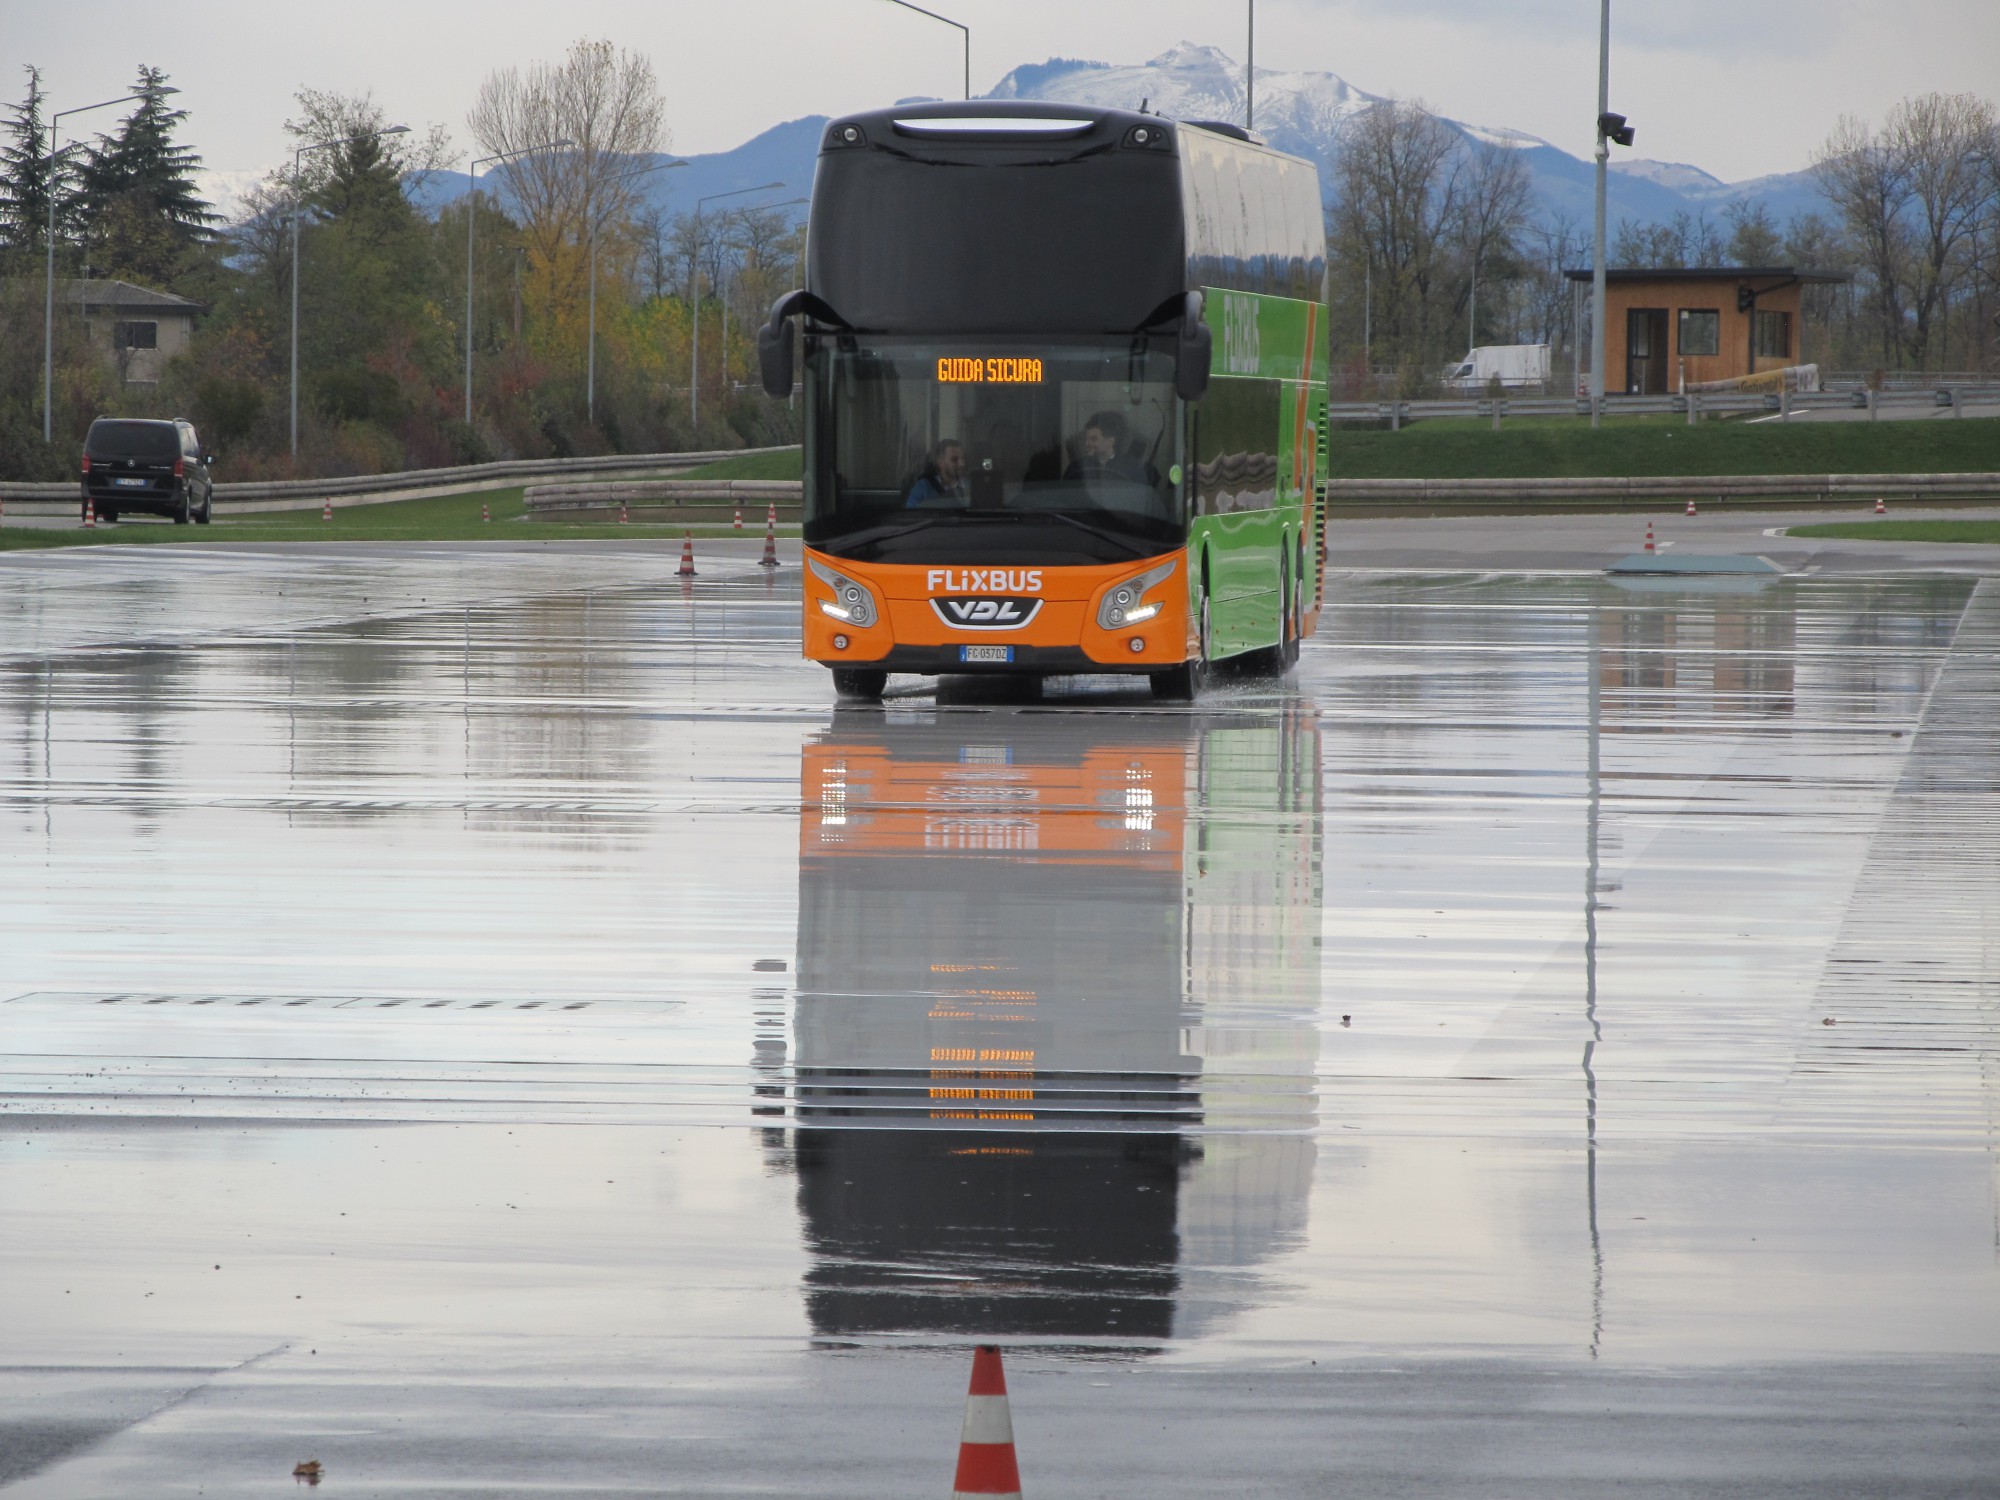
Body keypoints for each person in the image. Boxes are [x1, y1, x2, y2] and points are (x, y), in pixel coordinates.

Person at [1063, 412, 1147, 485]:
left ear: (1110, 441)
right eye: (1087, 439)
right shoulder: (1076, 467)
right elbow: (1067, 496)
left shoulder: (1132, 468)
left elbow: (1140, 497)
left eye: (1093, 439)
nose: (1087, 443)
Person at [905, 438, 968, 507]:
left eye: (963, 458)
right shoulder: (923, 487)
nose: (962, 464)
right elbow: (910, 514)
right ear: (940, 462)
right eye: (954, 459)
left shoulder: (972, 486)